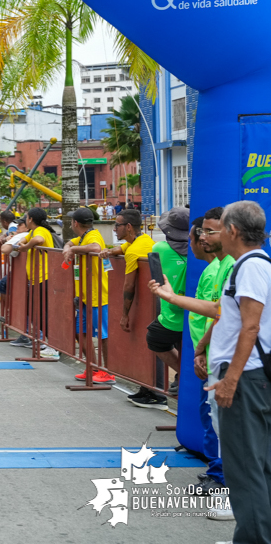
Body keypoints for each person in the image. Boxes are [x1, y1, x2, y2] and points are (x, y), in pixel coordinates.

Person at [155, 201, 271, 542]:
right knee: (257, 465)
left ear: (232, 231)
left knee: (245, 467)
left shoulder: (250, 266)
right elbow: (225, 313)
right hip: (248, 375)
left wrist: (230, 380)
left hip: (246, 377)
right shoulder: (249, 265)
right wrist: (173, 298)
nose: (209, 235)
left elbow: (249, 328)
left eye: (216, 228)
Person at [149, 207, 236, 518]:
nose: (201, 238)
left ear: (230, 232)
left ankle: (225, 482)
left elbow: (222, 312)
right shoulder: (213, 267)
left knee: (222, 423)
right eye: (202, 232)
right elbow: (209, 309)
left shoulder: (235, 267)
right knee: (210, 418)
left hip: (222, 359)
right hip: (209, 358)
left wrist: (201, 347)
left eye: (210, 232)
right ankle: (218, 475)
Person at [102, 208, 159, 407]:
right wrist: (110, 251)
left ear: (128, 227)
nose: (114, 228)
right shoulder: (139, 242)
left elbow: (129, 285)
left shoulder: (136, 250)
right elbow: (124, 248)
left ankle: (156, 393)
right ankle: (147, 389)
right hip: (156, 303)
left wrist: (125, 315)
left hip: (153, 305)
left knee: (154, 345)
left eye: (116, 225)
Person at [62, 207, 114, 384]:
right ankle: (92, 367)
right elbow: (70, 242)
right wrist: (69, 247)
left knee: (103, 335)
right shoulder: (85, 236)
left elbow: (96, 247)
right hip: (85, 296)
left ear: (75, 223)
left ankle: (108, 372)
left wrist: (73, 249)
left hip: (97, 296)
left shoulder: (93, 237)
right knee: (80, 332)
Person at [143, 207, 189, 402]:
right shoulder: (200, 250)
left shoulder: (159, 249)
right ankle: (185, 375)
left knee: (155, 338)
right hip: (198, 310)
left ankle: (185, 374)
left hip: (172, 313)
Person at [10, 208, 59, 359]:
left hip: (43, 278)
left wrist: (25, 247)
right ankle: (49, 343)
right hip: (37, 279)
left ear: (30, 219)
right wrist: (21, 241)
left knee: (42, 314)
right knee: (36, 312)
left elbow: (38, 240)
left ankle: (54, 346)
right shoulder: (34, 231)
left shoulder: (41, 231)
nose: (25, 219)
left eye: (26, 217)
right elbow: (26, 239)